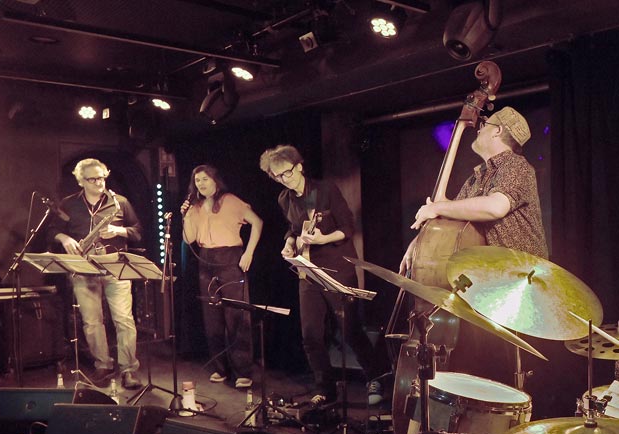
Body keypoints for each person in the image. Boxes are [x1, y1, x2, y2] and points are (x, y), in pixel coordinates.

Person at [399, 106, 549, 387]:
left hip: (518, 281)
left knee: (502, 370)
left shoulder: (516, 166)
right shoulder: (477, 177)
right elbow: (447, 214)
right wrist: (418, 244)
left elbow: (495, 206)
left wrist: (437, 208)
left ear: (498, 131)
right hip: (489, 285)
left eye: (484, 124)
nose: (479, 128)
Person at [259, 144, 385, 406]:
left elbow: (347, 227)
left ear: (299, 166)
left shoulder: (325, 189)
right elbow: (294, 228)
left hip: (337, 266)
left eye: (287, 172)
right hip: (308, 269)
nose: (284, 179)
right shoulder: (285, 199)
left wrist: (323, 238)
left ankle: (377, 377)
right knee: (310, 334)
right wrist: (289, 243)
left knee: (350, 330)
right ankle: (325, 387)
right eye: (278, 176)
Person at [53, 158, 143, 389]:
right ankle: (103, 365)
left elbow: (137, 232)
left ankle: (128, 370)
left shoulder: (120, 202)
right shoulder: (68, 204)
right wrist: (64, 238)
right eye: (92, 179)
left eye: (102, 177)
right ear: (80, 181)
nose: (99, 183)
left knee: (124, 320)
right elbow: (53, 230)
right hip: (84, 268)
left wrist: (119, 230)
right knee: (92, 322)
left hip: (115, 268)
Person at [180, 165, 263, 390]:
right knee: (212, 316)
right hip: (206, 259)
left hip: (230, 257)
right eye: (197, 180)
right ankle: (221, 367)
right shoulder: (195, 207)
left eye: (205, 179)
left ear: (215, 180)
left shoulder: (231, 201)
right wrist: (186, 216)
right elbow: (188, 239)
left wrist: (249, 253)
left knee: (236, 315)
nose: (201, 184)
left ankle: (243, 370)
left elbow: (257, 222)